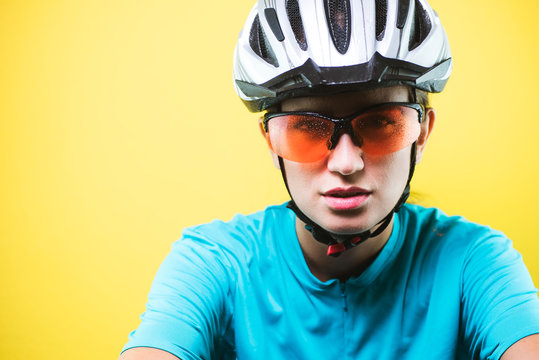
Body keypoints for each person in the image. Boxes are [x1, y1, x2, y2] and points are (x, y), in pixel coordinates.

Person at [119, 0, 539, 359]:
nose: (345, 162)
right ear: (271, 142)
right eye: (306, 127)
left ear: (422, 133)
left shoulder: (475, 260)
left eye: (379, 122)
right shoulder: (211, 262)